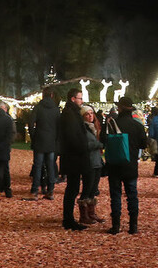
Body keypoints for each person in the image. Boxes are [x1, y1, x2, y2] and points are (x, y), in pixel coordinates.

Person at [101, 96, 147, 234]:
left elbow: (103, 140)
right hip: (130, 164)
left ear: (119, 108)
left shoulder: (111, 124)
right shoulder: (137, 125)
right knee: (132, 194)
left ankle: (116, 226)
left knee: (115, 195)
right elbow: (143, 144)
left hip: (114, 164)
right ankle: (133, 226)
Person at [59, 87, 91, 230]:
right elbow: (73, 137)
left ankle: (69, 218)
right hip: (74, 156)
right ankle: (68, 219)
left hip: (74, 156)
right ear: (73, 99)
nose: (82, 101)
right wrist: (83, 148)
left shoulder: (71, 113)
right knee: (72, 188)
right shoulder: (70, 114)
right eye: (80, 98)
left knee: (73, 187)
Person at [27, 88, 60, 200]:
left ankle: (35, 190)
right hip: (51, 140)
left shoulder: (38, 108)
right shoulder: (56, 109)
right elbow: (58, 125)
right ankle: (50, 190)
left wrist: (33, 136)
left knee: (38, 166)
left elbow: (31, 124)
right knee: (50, 165)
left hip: (40, 139)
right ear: (51, 95)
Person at [78, 104, 105, 225]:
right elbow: (85, 145)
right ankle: (84, 215)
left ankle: (91, 212)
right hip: (89, 161)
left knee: (93, 188)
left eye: (91, 113)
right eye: (87, 114)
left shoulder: (95, 127)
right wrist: (99, 145)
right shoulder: (83, 129)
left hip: (97, 160)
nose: (90, 116)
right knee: (87, 187)